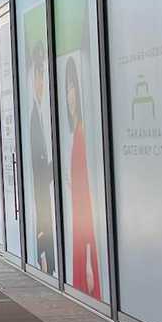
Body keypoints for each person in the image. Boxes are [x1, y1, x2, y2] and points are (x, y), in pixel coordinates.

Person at [65, 59, 99, 298]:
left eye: (72, 86)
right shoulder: (76, 132)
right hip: (79, 230)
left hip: (84, 235)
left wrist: (88, 259)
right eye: (66, 88)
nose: (69, 95)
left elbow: (87, 198)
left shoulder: (82, 133)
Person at [29, 44, 56, 274]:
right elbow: (38, 170)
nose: (41, 82)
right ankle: (44, 258)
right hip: (42, 195)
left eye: (43, 76)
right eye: (39, 76)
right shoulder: (34, 117)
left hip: (46, 194)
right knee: (45, 226)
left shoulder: (42, 112)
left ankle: (46, 260)